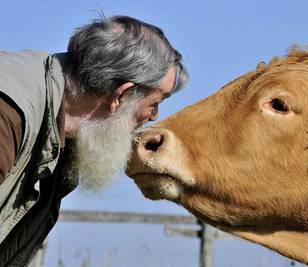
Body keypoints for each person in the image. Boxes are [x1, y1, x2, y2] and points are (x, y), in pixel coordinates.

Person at [0, 15, 188, 266]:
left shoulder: (62, 135)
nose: (153, 118)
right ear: (122, 95)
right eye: (154, 105)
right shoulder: (8, 114)